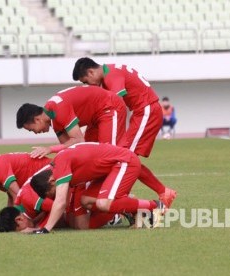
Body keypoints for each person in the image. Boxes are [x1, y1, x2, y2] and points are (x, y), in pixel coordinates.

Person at [72, 57, 177, 208]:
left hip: (146, 111)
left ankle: (158, 193)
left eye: (86, 81)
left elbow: (116, 104)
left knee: (125, 159)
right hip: (142, 111)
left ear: (91, 71)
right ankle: (126, 198)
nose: (88, 85)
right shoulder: (110, 71)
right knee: (124, 158)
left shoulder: (111, 76)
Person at [29, 142, 165, 234]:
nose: (55, 195)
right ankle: (129, 208)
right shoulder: (59, 163)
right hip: (111, 168)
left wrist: (45, 229)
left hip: (124, 161)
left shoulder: (60, 165)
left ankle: (154, 205)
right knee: (86, 201)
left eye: (51, 193)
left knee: (103, 203)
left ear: (51, 181)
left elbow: (60, 202)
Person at [16, 85, 126, 159]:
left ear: (37, 119)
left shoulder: (58, 109)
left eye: (31, 129)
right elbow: (71, 149)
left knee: (108, 154)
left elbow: (78, 140)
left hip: (110, 106)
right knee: (89, 155)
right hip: (96, 118)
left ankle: (119, 192)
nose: (35, 133)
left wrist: (49, 149)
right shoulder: (53, 119)